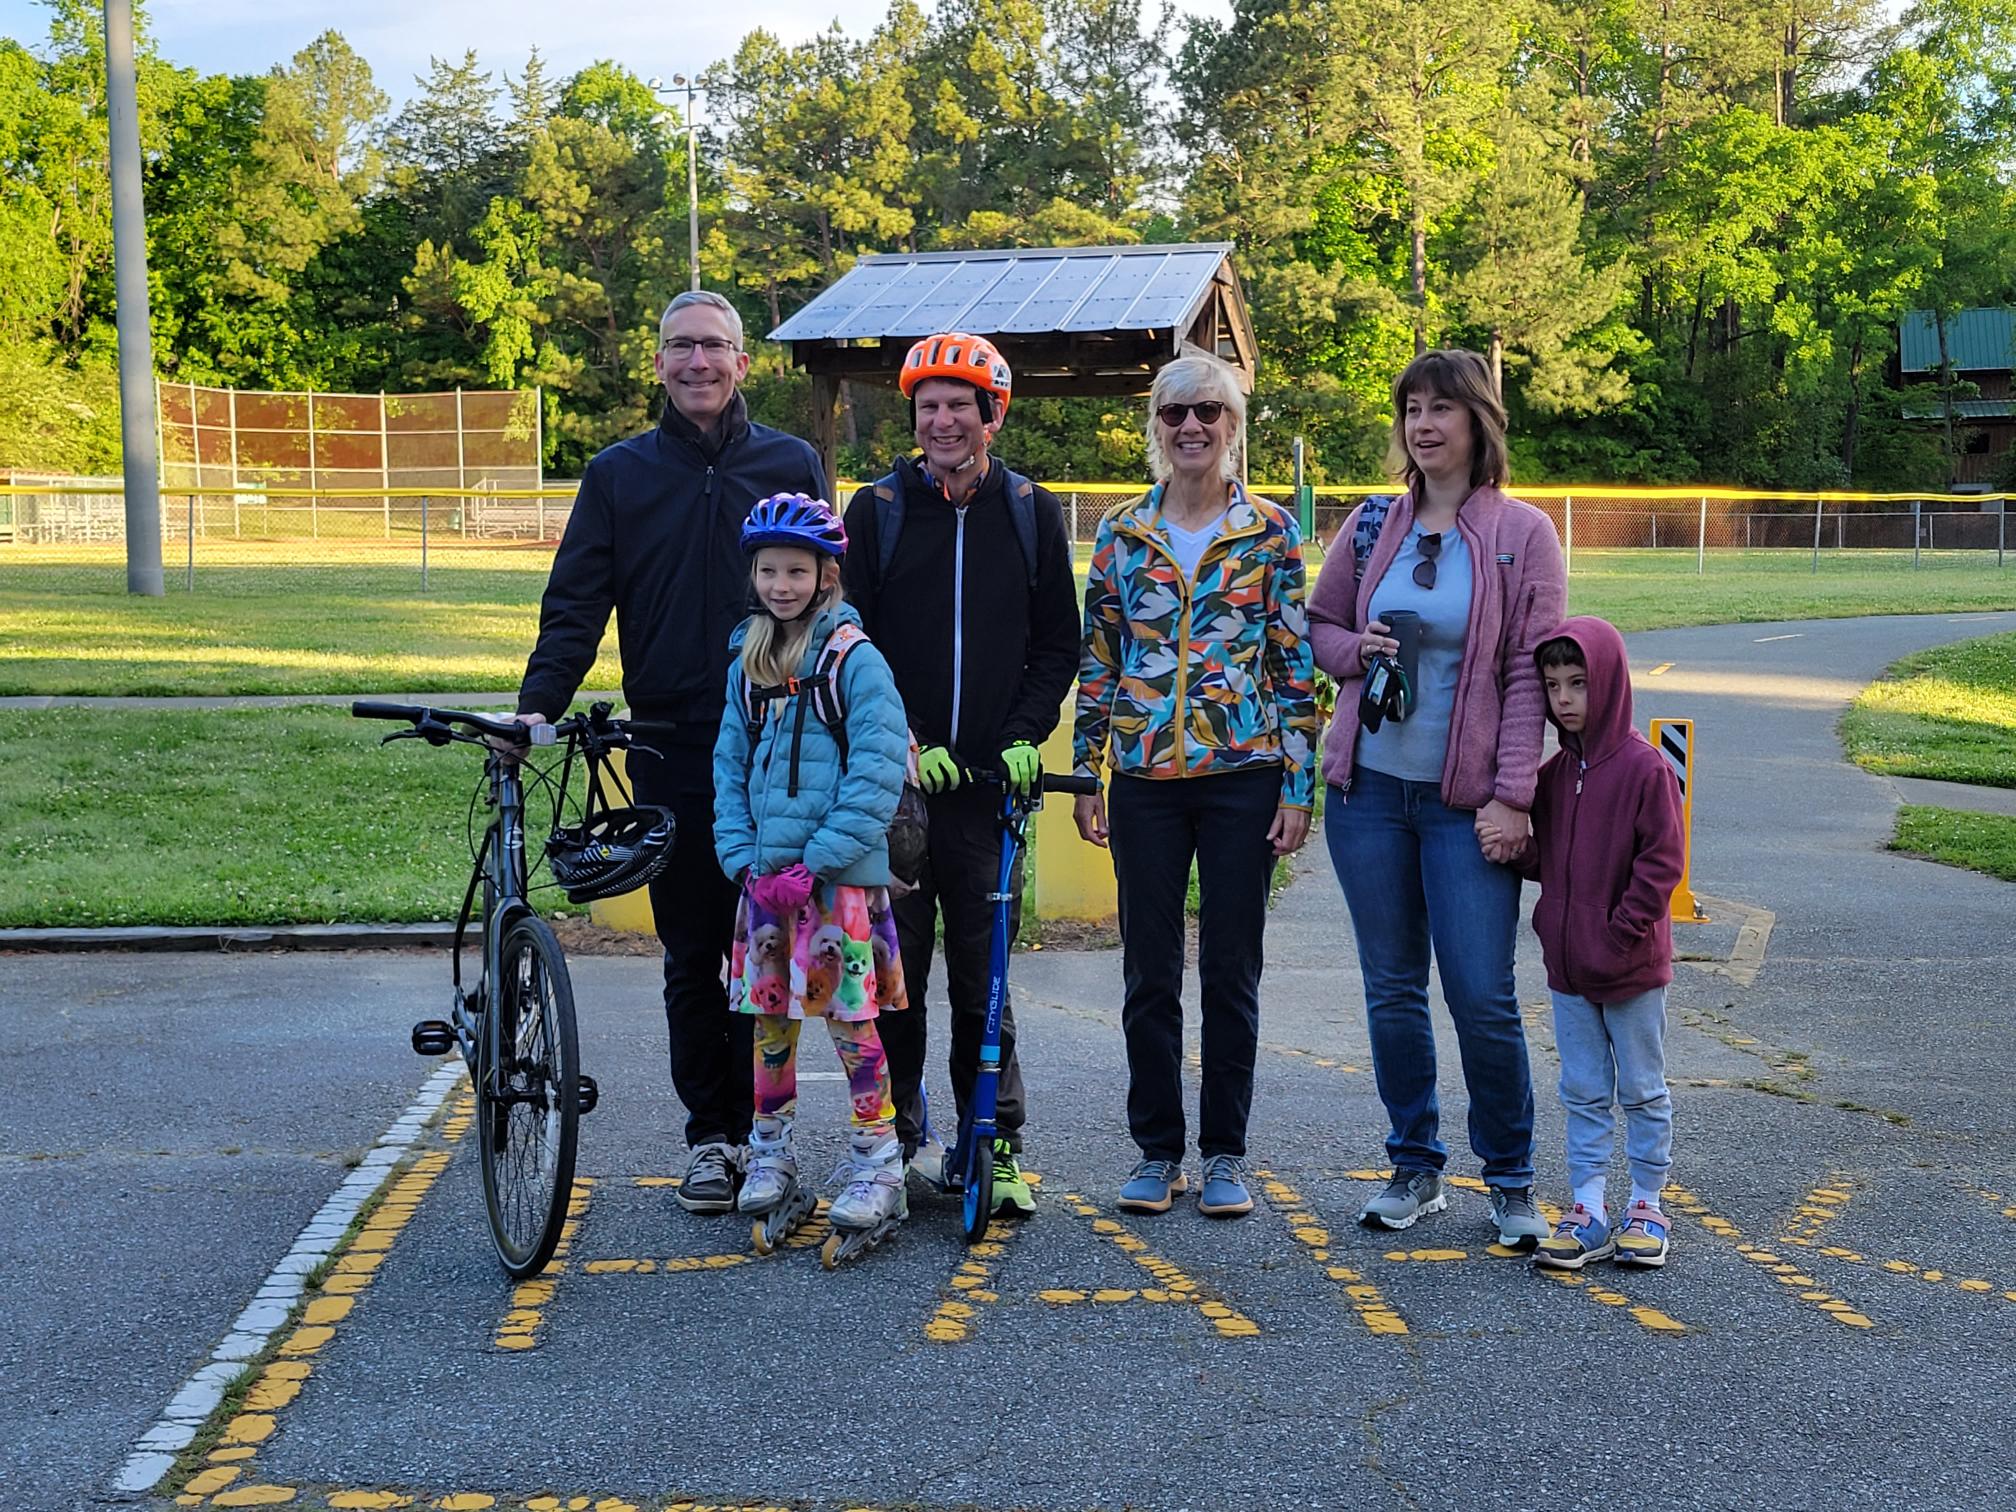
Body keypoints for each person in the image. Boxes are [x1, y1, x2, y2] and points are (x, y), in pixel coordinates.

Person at [515, 289, 826, 1214]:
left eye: (715, 347)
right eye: (681, 346)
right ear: (658, 362)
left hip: (776, 744)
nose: (698, 362)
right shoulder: (620, 474)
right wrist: (538, 707)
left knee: (766, 944)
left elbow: (827, 596)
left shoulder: (789, 461)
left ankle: (768, 1134)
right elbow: (575, 603)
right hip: (668, 745)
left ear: (743, 362)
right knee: (693, 949)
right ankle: (714, 1138)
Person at [1307, 348, 1566, 1249]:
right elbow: (1320, 625)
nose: (1423, 425)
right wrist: (1357, 651)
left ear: (1477, 424)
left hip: (1466, 808)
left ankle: (1511, 1178)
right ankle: (1415, 1166)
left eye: (1441, 410)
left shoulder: (1521, 533)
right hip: (1370, 794)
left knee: (1482, 994)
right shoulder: (1373, 521)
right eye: (1411, 409)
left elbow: (1532, 680)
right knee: (1392, 990)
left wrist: (1513, 800)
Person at [1071, 352, 1318, 1219]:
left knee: (1230, 973)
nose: (1192, 427)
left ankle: (1224, 1155)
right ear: (1156, 425)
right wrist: (1087, 770)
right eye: (1176, 412)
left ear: (1233, 425)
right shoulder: (1120, 532)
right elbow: (1099, 655)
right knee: (1148, 973)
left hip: (1243, 777)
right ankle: (1155, 1150)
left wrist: (1300, 786)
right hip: (1144, 779)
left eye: (1210, 411)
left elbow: (1294, 665)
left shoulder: (1271, 533)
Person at [840, 332, 1080, 1217]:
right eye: (926, 406)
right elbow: (849, 641)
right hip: (895, 793)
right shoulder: (877, 511)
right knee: (895, 978)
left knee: (987, 985)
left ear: (992, 415)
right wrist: (906, 737)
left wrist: (1024, 734)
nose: (941, 420)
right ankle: (901, 1139)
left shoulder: (1029, 511)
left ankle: (996, 1141)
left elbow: (1059, 645)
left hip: (988, 793)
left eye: (958, 405)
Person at [712, 493, 914, 1249]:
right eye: (768, 570)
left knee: (853, 1027)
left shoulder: (854, 660)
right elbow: (728, 767)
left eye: (797, 570)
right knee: (770, 1026)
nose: (781, 584)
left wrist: (818, 861)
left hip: (837, 890)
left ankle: (877, 1160)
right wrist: (742, 861)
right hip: (765, 889)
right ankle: (770, 1154)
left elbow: (874, 776)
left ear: (827, 575)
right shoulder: (749, 663)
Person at [1483, 619, 1682, 1270]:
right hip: (1569, 973)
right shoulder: (1550, 776)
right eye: (1552, 685)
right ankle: (1590, 1207)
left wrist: (1621, 934)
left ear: (1612, 685)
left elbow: (1662, 863)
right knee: (1583, 1090)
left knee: (1643, 1089)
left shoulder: (1646, 770)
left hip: (1630, 970)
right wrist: (1516, 852)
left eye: (1579, 683)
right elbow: (1553, 862)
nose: (1564, 698)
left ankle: (1647, 1206)